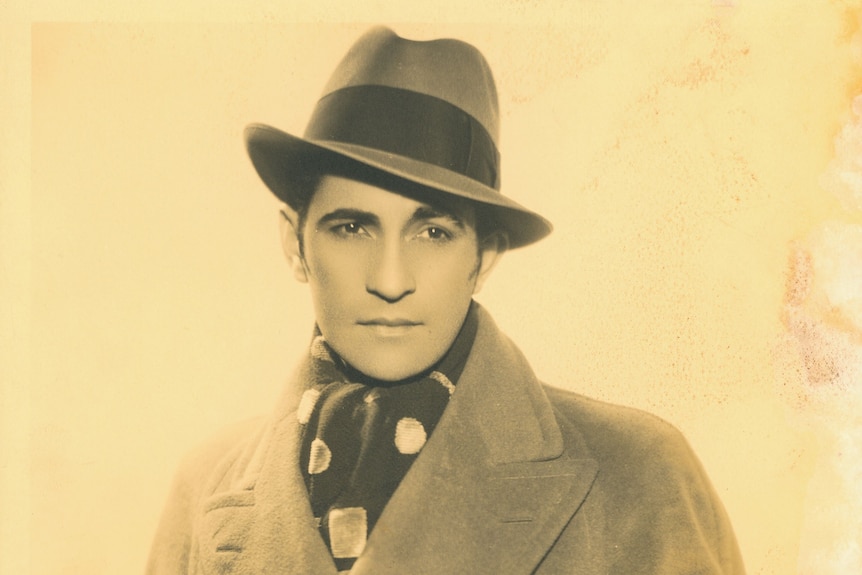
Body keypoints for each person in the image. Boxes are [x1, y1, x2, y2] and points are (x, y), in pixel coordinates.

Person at [146, 26, 745, 574]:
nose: (390, 277)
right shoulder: (205, 488)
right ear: (295, 245)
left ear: (483, 259)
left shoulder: (639, 472)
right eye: (351, 228)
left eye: (433, 233)